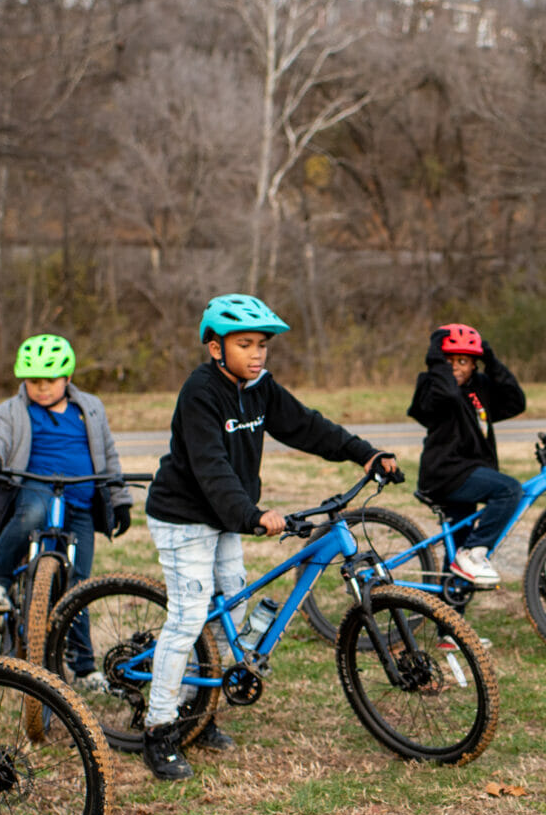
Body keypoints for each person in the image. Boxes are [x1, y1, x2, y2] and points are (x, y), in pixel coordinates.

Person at [139, 294, 396, 781]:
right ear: (215, 349)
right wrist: (252, 515)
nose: (257, 354)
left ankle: (200, 708)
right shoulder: (200, 392)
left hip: (225, 517)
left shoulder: (260, 387)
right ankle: (159, 729)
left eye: (262, 345)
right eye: (245, 344)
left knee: (232, 608)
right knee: (190, 616)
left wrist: (364, 452)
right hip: (184, 516)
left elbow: (307, 427)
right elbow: (210, 466)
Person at [0, 334, 132, 692]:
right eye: (33, 381)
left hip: (81, 501)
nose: (41, 389)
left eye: (50, 380)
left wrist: (119, 499)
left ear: (68, 378)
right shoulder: (13, 410)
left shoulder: (89, 407)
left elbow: (108, 453)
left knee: (80, 586)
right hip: (36, 488)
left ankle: (85, 669)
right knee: (30, 515)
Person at [407, 323, 527, 587]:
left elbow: (516, 401)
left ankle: (449, 628)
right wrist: (435, 356)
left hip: (468, 474)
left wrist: (491, 360)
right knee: (509, 490)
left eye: (462, 361)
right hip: (445, 474)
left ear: (475, 363)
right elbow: (448, 393)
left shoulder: (479, 387)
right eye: (448, 360)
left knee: (461, 572)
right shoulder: (431, 385)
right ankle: (474, 553)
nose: (455, 367)